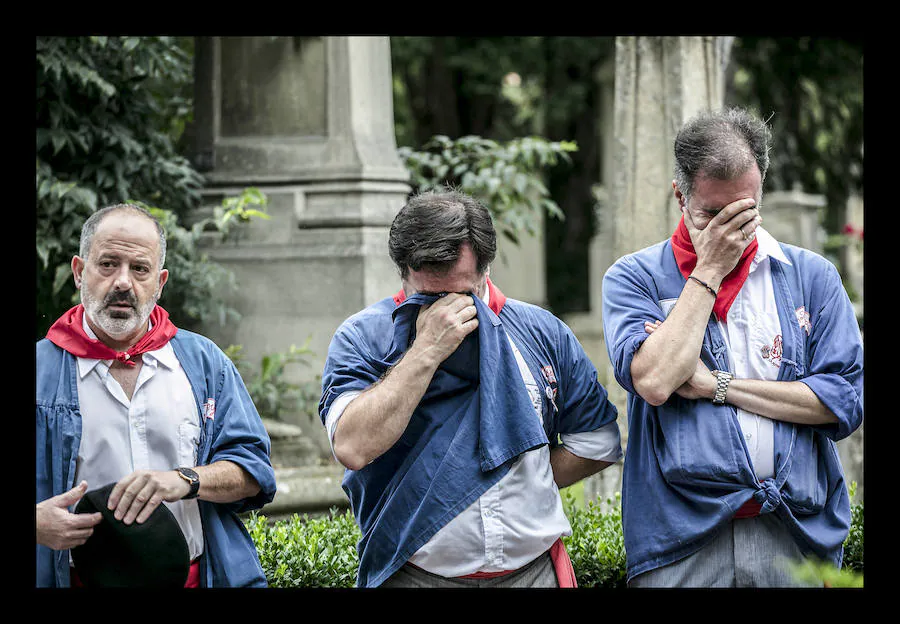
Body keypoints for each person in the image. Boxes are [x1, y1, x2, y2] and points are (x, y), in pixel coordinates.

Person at [601, 107, 864, 587]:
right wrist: (709, 270)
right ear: (679, 196)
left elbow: (843, 401)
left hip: (792, 531)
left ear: (759, 189)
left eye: (742, 212)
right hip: (681, 545)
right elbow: (656, 381)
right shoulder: (633, 276)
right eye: (710, 214)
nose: (728, 231)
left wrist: (716, 385)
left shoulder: (812, 276)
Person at [319, 188, 623, 588]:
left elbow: (598, 441)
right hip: (415, 575)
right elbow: (352, 446)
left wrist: (518, 474)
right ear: (403, 273)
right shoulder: (362, 337)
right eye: (429, 296)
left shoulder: (541, 332)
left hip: (532, 573)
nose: (447, 309)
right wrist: (425, 350)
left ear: (486, 271)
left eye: (461, 294)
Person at [36, 203, 277, 587]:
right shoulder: (40, 372)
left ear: (160, 281)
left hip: (198, 579)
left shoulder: (204, 364)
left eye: (140, 269)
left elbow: (254, 472)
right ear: (79, 272)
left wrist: (185, 480)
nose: (122, 282)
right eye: (108, 264)